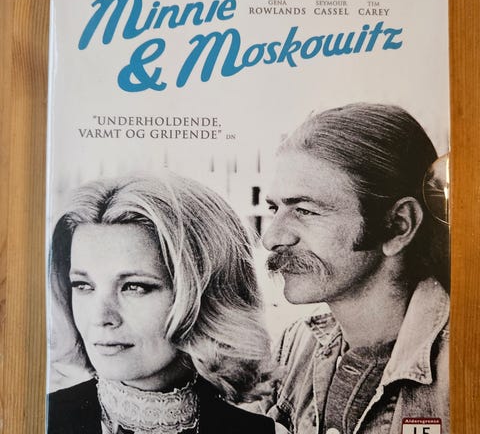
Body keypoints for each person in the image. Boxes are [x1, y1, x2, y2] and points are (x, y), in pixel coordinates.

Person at [47, 173, 290, 434]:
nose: (100, 317)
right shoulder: (35, 419)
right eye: (83, 286)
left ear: (206, 295)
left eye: (134, 287)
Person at [261, 103, 449, 434]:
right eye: (274, 208)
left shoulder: (463, 365)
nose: (272, 238)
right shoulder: (295, 345)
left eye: (304, 210)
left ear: (398, 226)